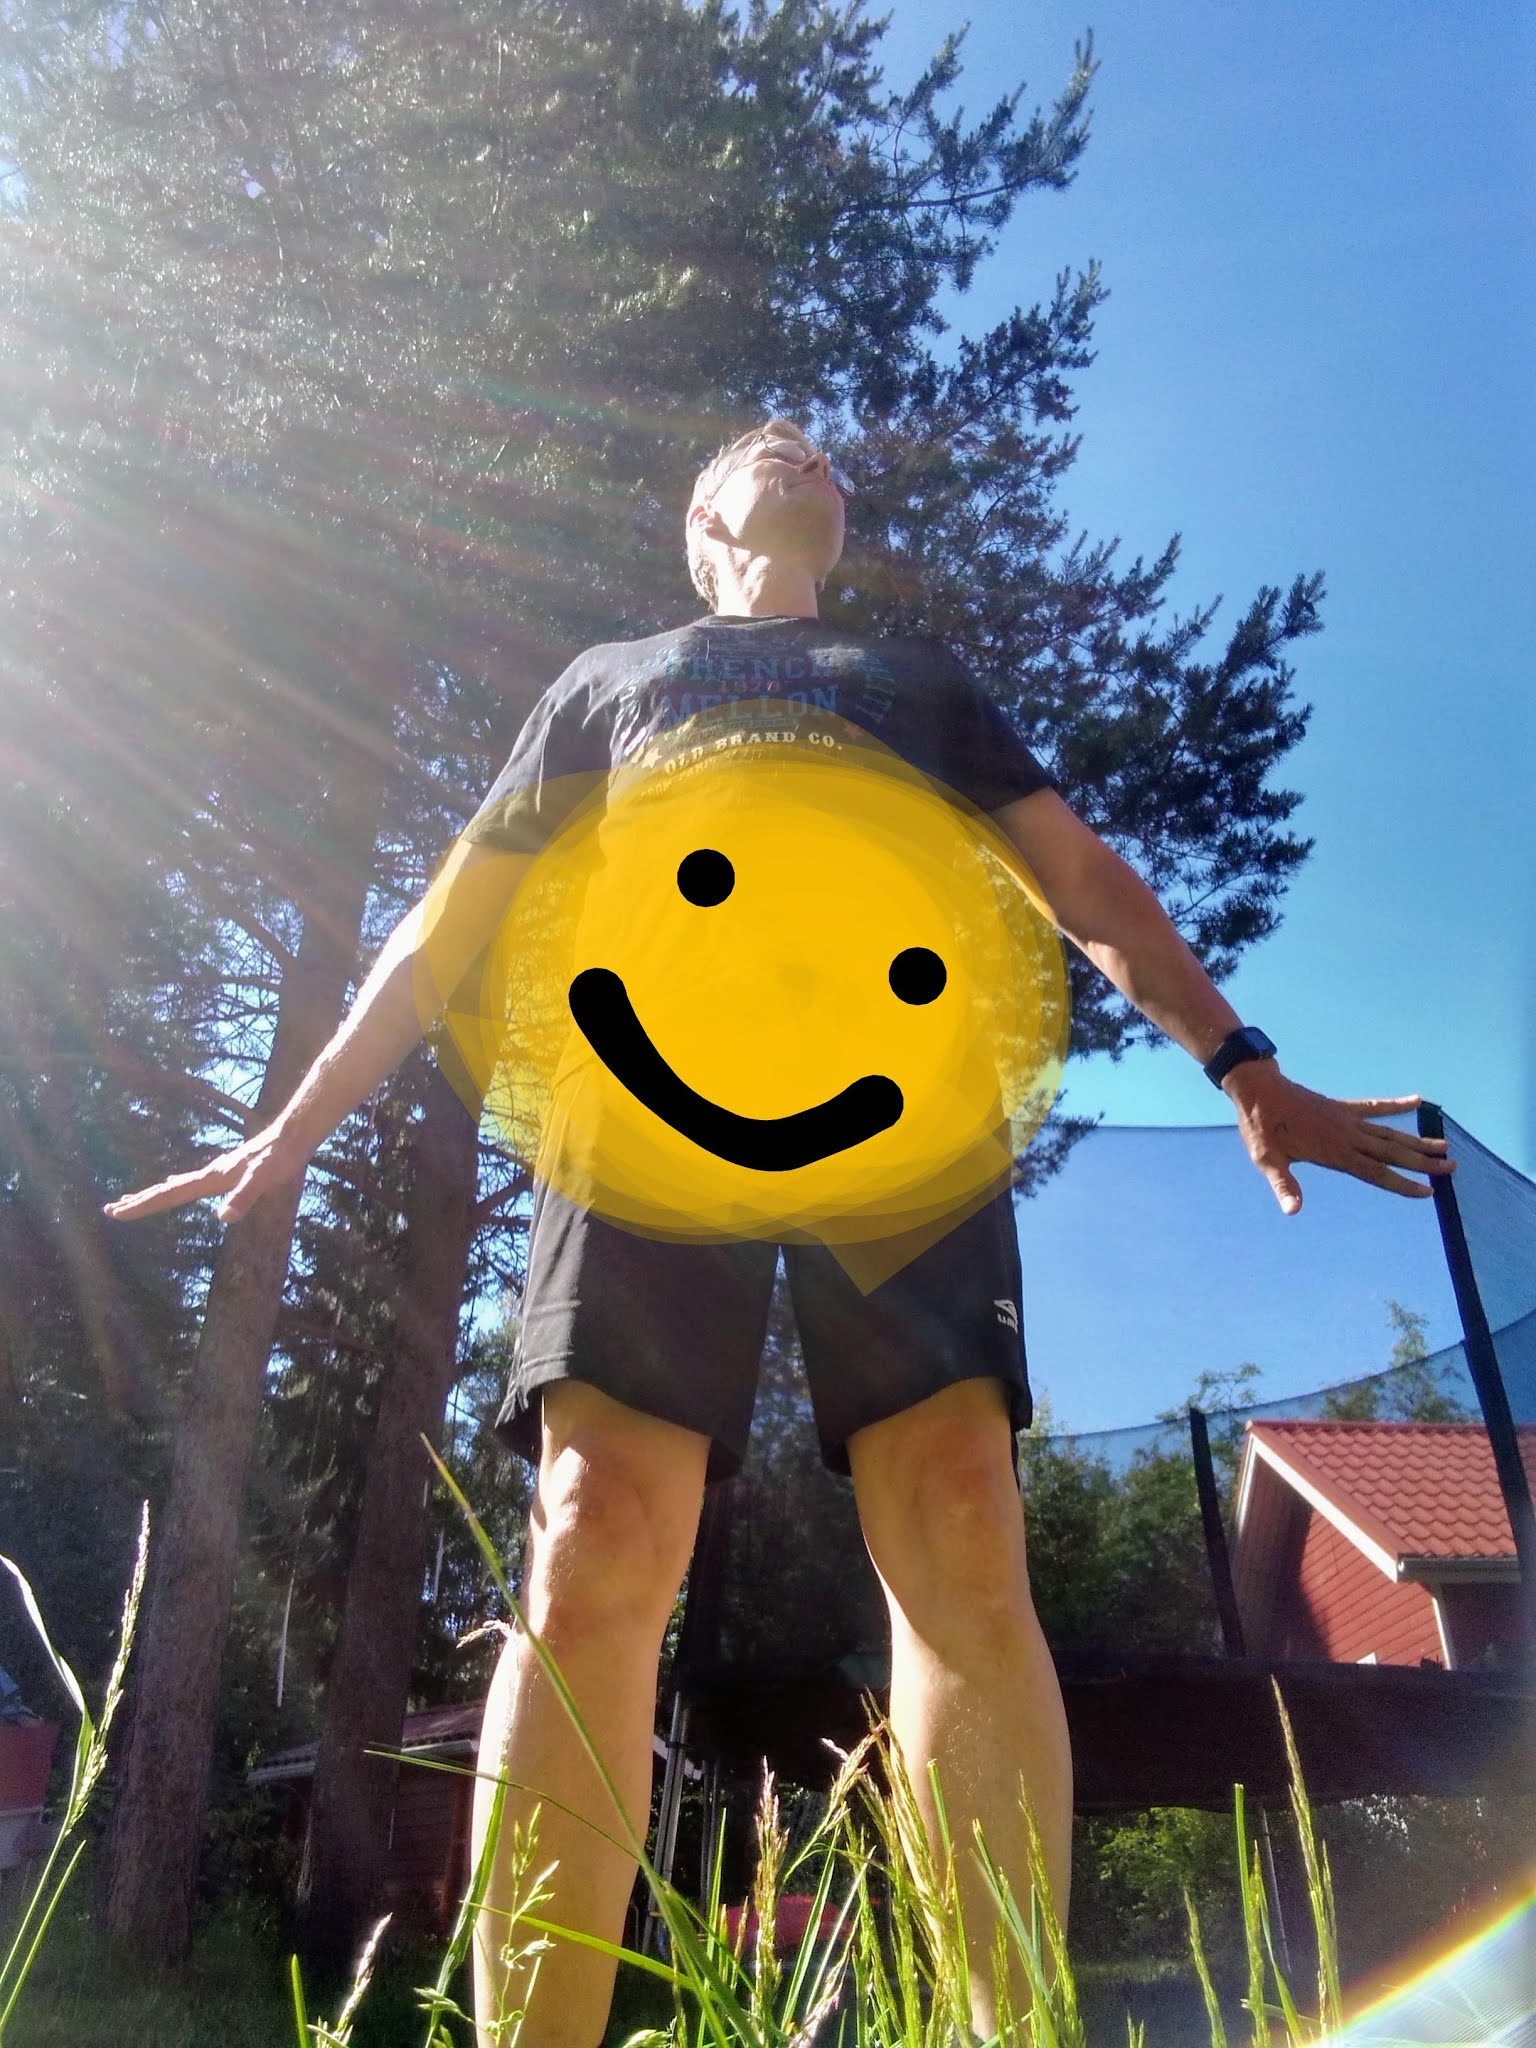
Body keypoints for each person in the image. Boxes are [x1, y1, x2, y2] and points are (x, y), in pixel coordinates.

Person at [107, 417, 1457, 2045]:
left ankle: (1002, 2028)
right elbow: (448, 920)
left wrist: (1243, 1062)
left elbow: (1086, 885)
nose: (801, 446)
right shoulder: (611, 683)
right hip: (642, 1100)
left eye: (820, 451)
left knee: (959, 1519)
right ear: (702, 522)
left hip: (899, 1103)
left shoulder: (916, 680)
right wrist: (296, 1120)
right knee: (595, 1528)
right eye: (764, 444)